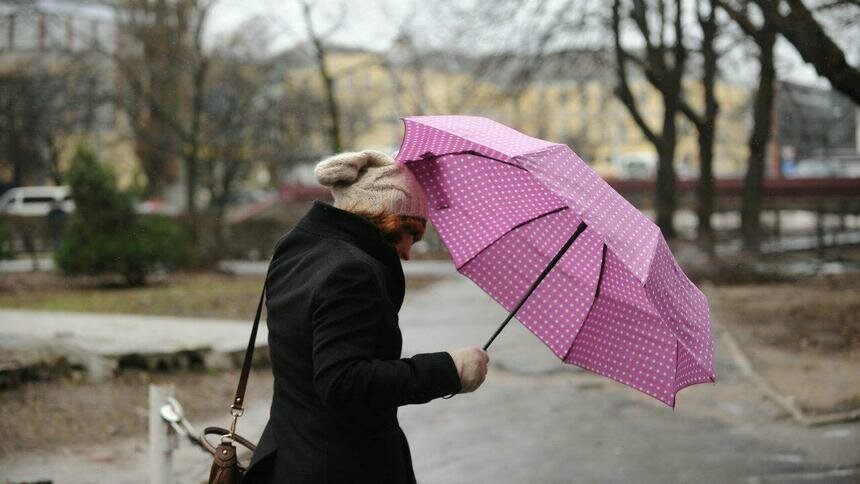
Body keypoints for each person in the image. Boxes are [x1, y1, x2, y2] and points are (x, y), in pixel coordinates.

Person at [242, 150, 490, 484]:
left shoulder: (294, 251)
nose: (408, 253)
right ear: (388, 219)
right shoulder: (351, 272)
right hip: (343, 467)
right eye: (411, 235)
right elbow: (344, 383)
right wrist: (450, 369)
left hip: (291, 457)